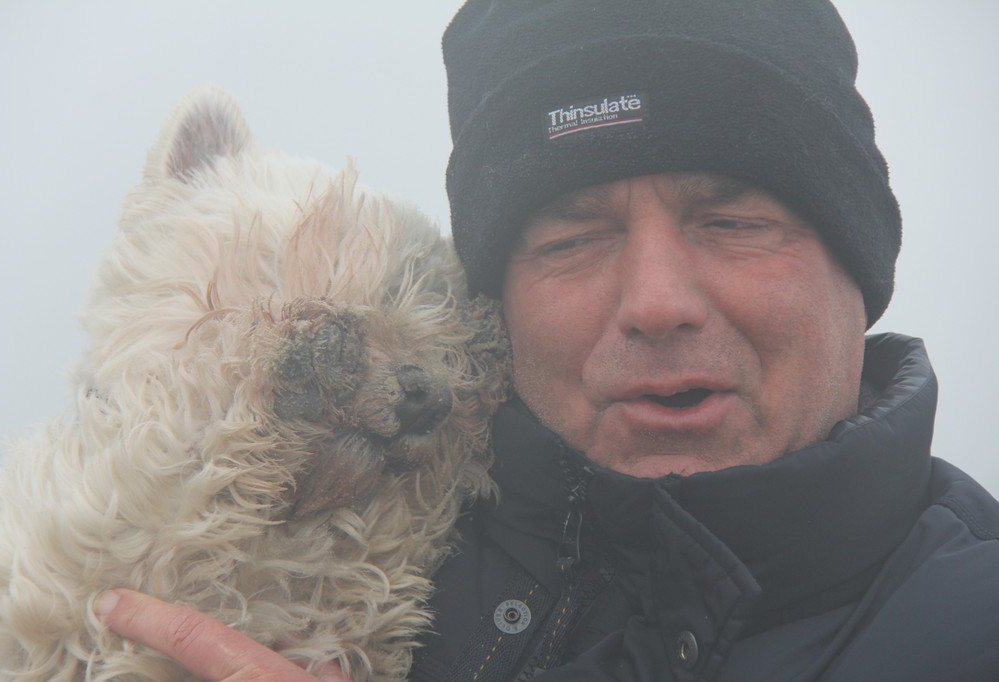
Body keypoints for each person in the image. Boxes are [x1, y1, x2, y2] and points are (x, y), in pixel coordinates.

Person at [96, 0, 999, 679]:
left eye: (731, 220)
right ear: (492, 303)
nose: (654, 301)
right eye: (571, 238)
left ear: (860, 268)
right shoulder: (278, 572)